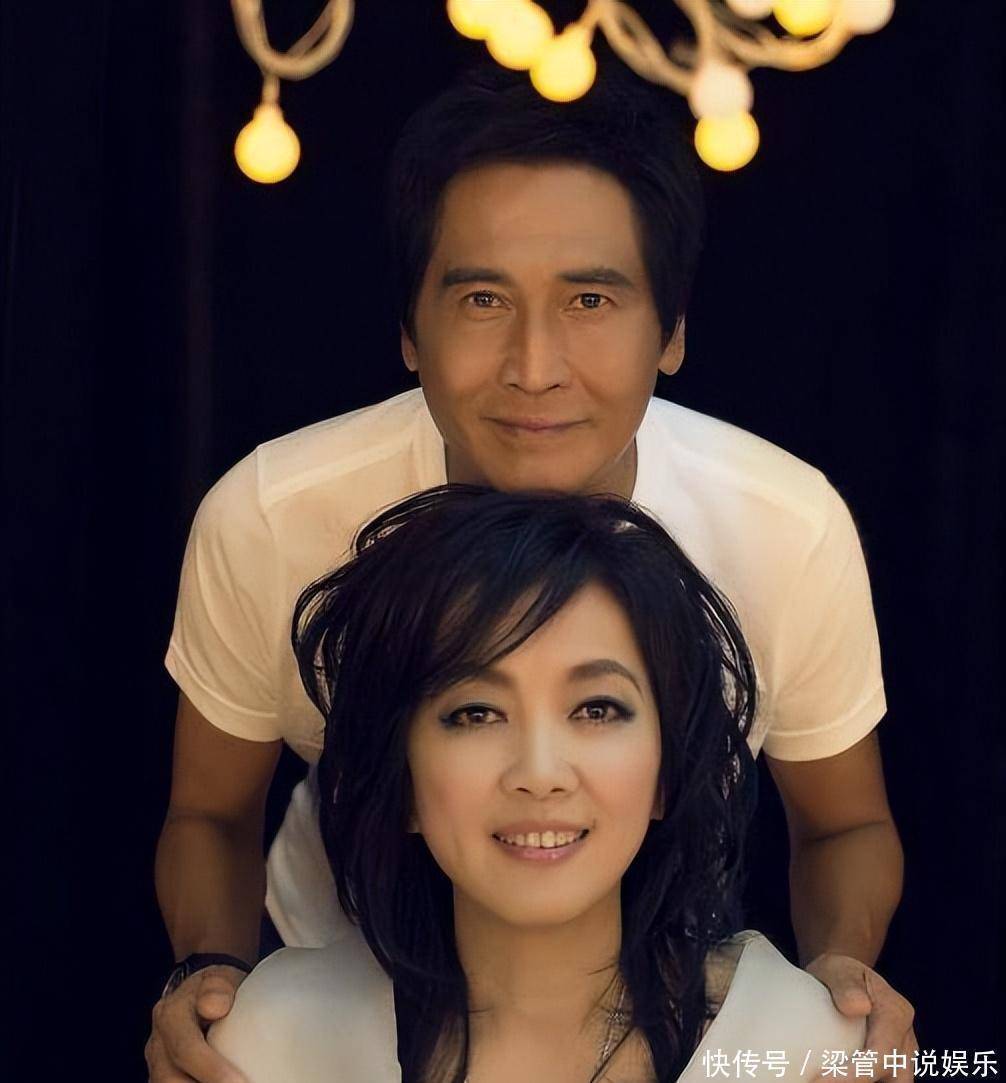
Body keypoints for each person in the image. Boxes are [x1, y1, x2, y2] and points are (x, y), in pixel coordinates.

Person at [147, 59, 915, 1083]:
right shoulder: (270, 519)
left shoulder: (784, 528)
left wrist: (833, 1000)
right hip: (338, 980)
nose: (535, 367)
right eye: (481, 299)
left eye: (590, 298)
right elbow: (209, 813)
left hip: (669, 980)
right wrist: (211, 985)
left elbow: (846, 821)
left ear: (673, 330)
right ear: (408, 329)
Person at [207, 485, 866, 1083]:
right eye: (475, 713)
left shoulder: (805, 1049)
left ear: (668, 771)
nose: (540, 773)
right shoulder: (271, 1043)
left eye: (597, 709)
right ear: (400, 779)